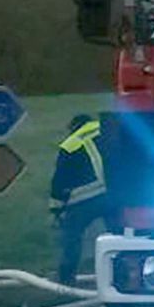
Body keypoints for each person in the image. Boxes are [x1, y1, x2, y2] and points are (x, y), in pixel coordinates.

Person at [49, 114, 108, 287]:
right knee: (121, 234)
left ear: (73, 127)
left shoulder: (71, 144)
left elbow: (60, 180)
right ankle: (124, 272)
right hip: (114, 194)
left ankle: (66, 280)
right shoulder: (106, 129)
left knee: (71, 236)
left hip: (85, 199)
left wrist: (56, 210)